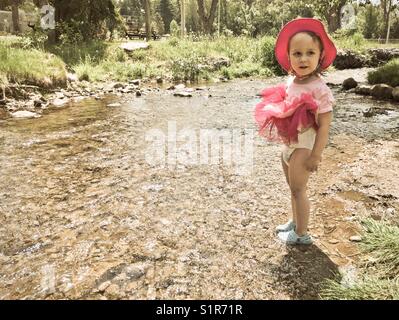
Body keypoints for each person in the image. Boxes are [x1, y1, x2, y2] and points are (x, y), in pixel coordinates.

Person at [254, 18, 337, 245]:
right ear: (289, 57)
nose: (303, 59)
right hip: (289, 145)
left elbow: (325, 126)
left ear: (320, 56)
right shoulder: (291, 81)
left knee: (299, 190)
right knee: (293, 189)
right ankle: (296, 221)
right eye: (297, 53)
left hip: (305, 146)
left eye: (310, 53)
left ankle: (302, 234)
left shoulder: (320, 89)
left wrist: (316, 155)